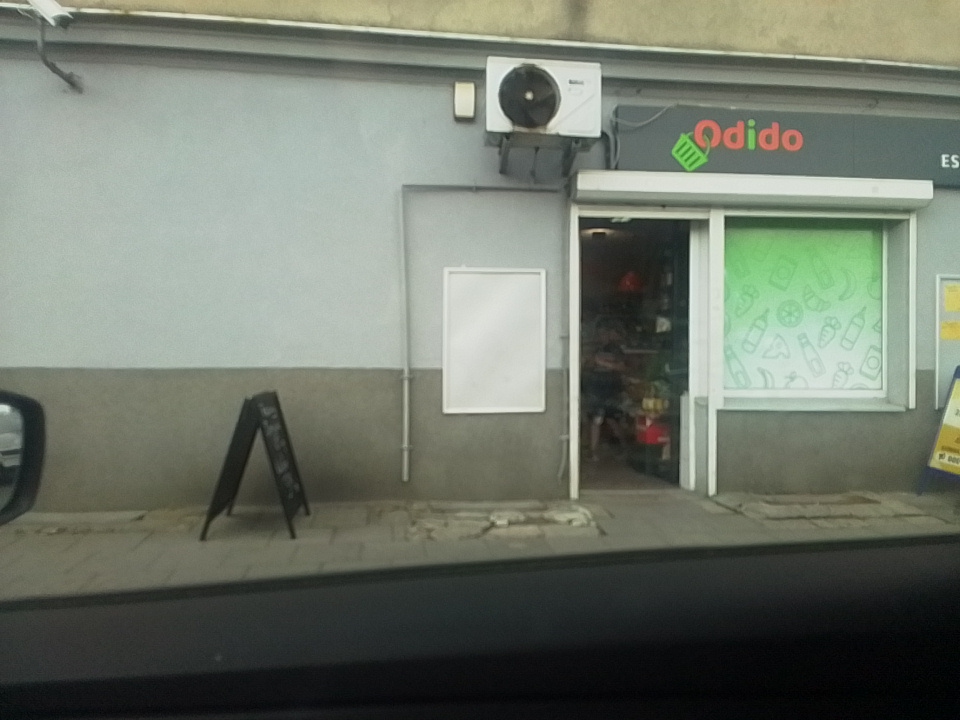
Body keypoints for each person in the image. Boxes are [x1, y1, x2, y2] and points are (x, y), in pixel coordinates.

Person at [581, 324, 628, 462]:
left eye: (604, 333)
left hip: (610, 389)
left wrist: (603, 363)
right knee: (596, 418)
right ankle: (593, 452)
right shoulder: (596, 350)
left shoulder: (616, 350)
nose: (601, 336)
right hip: (596, 389)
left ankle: (625, 447)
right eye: (599, 334)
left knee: (612, 420)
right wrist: (589, 362)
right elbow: (587, 366)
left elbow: (622, 367)